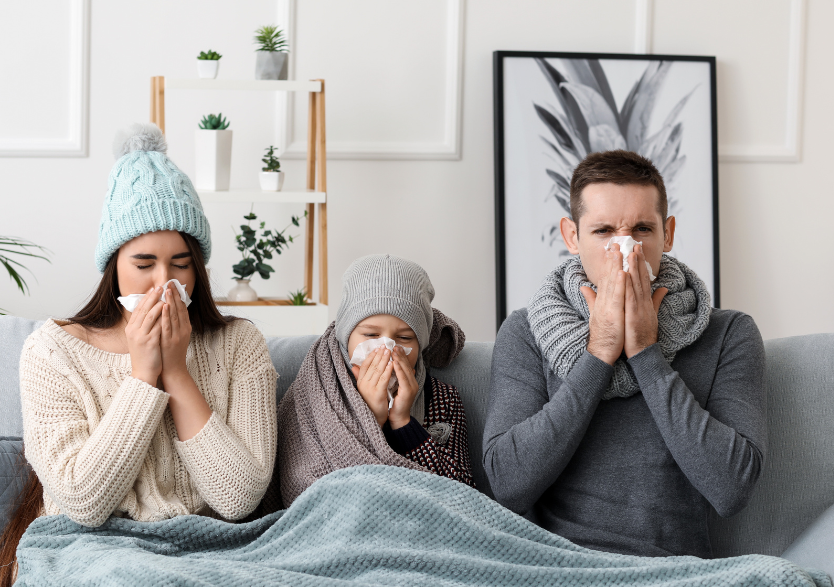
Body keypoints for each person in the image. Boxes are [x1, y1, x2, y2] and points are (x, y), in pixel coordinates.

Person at [0, 123, 278, 587]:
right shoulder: (52, 351)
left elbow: (238, 498)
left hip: (214, 547)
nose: (165, 282)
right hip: (93, 552)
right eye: (144, 264)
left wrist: (176, 372)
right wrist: (142, 373)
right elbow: (83, 501)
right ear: (114, 268)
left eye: (181, 264)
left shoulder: (240, 344)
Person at [483, 150, 766, 559]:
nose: (625, 250)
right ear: (571, 236)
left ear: (667, 233)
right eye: (603, 232)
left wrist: (647, 353)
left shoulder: (729, 333)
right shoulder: (526, 331)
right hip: (555, 571)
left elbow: (732, 489)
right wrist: (599, 352)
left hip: (673, 574)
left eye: (641, 230)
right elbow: (507, 485)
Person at [274, 254, 473, 508]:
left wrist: (403, 423)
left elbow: (463, 496)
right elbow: (303, 490)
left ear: (421, 344)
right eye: (370, 334)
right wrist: (371, 419)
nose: (387, 348)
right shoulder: (317, 391)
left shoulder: (443, 399)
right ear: (346, 335)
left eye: (404, 338)